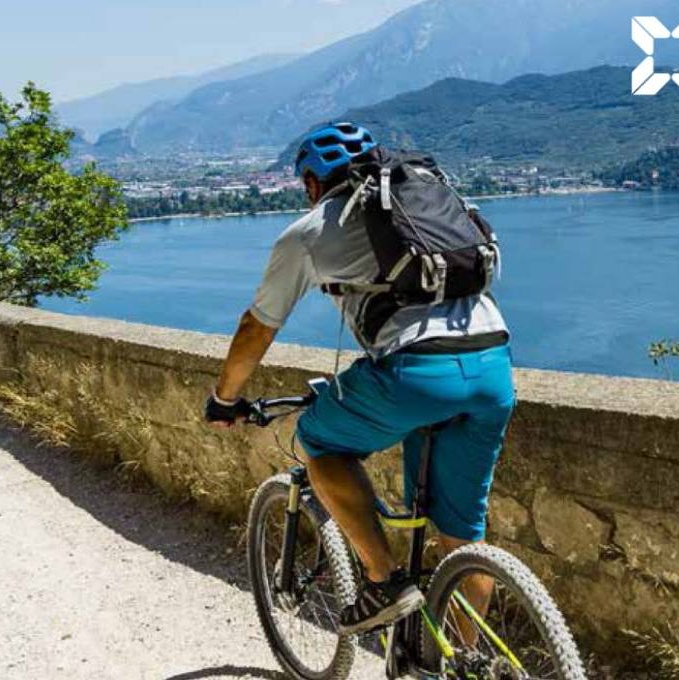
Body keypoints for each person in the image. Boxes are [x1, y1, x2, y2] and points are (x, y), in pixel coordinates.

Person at [203, 122, 515, 635]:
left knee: (318, 440)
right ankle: (458, 661)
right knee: (462, 538)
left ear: (311, 183)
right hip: (493, 366)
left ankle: (382, 580)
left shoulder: (308, 232)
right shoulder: (421, 208)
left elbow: (255, 327)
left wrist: (224, 398)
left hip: (416, 374)